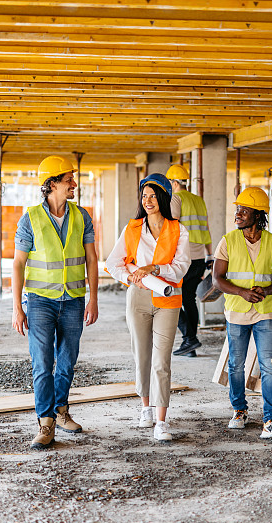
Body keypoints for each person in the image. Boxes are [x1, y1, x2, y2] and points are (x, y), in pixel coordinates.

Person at [12, 155, 99, 450]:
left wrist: (93, 299)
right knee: (42, 363)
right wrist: (17, 307)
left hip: (73, 300)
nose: (74, 184)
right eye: (68, 179)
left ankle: (61, 410)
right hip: (40, 302)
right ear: (52, 184)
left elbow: (91, 259)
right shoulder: (30, 219)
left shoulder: (81, 216)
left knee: (67, 361)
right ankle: (46, 422)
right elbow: (18, 264)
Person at [106, 173, 190, 442]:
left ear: (163, 198)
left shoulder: (178, 230)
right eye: (144, 196)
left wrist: (153, 268)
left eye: (153, 196)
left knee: (161, 361)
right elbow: (113, 263)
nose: (148, 200)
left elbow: (180, 269)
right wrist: (131, 277)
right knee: (142, 356)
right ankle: (146, 408)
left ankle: (162, 421)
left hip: (168, 299)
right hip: (138, 297)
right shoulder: (132, 228)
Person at [212, 187, 272, 439]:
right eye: (237, 209)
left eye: (244, 210)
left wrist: (265, 291)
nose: (238, 214)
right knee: (236, 365)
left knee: (269, 366)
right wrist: (242, 292)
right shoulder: (228, 241)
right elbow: (217, 279)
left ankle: (271, 419)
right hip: (237, 311)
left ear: (258, 214)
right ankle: (239, 411)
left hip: (265, 312)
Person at [167, 164, 213, 357]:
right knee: (189, 299)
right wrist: (210, 255)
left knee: (170, 298)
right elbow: (206, 228)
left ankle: (189, 338)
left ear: (174, 183)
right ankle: (190, 345)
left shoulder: (175, 198)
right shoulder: (198, 200)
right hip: (199, 258)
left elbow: (173, 227)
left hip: (183, 259)